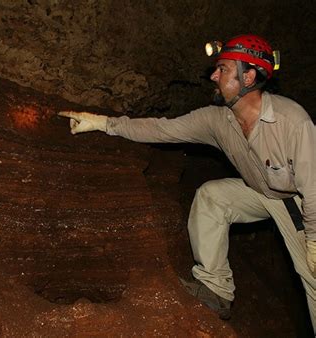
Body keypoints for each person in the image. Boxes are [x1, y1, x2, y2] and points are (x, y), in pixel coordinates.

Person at [58, 34, 316, 330]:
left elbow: (314, 188)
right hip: (261, 192)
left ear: (250, 77)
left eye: (224, 69)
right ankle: (215, 289)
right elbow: (163, 129)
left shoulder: (292, 121)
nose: (214, 75)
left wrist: (315, 239)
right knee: (213, 197)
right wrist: (104, 123)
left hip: (302, 202)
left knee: (313, 279)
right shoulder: (218, 120)